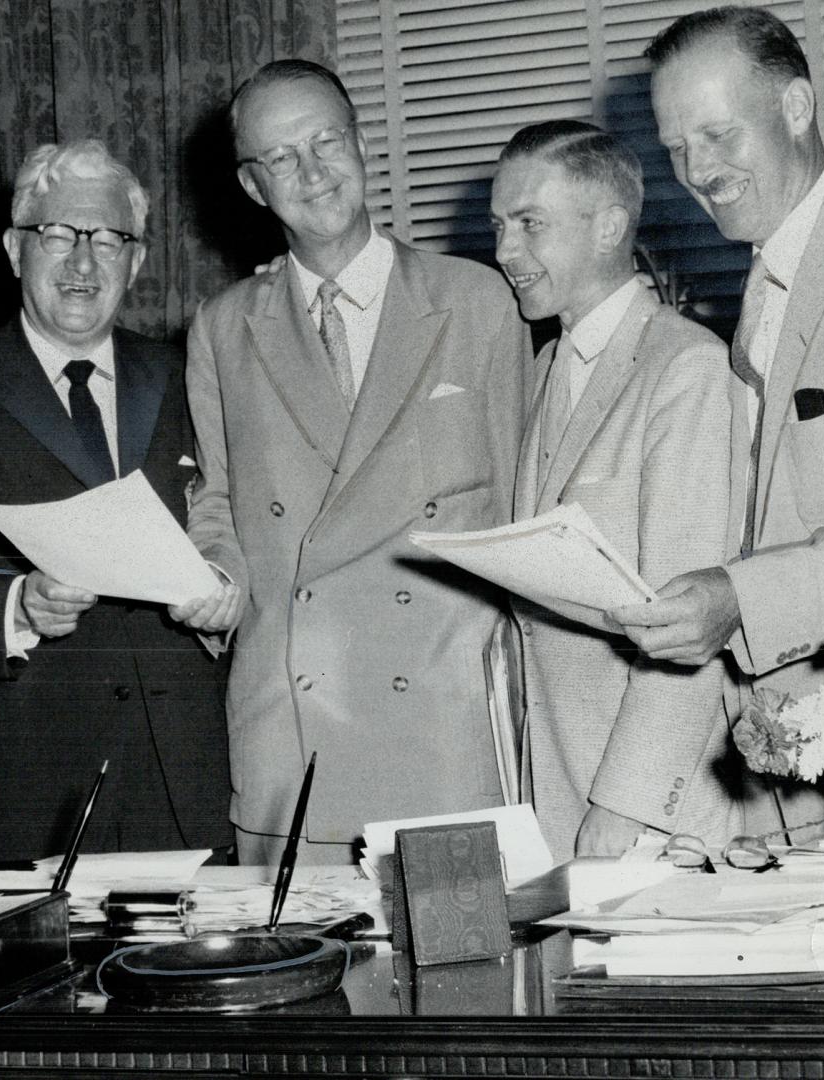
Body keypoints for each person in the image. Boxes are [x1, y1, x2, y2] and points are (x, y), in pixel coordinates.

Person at [173, 59, 529, 866]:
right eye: (282, 158)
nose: (313, 171)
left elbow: (521, 504)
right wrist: (214, 579)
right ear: (254, 188)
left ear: (363, 146)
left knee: (465, 987)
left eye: (327, 141)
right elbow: (220, 503)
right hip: (294, 732)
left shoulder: (480, 301)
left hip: (444, 732)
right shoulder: (224, 328)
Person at [0, 139, 231, 861]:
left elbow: (231, 518)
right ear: (13, 249)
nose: (82, 263)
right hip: (27, 780)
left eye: (108, 239)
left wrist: (224, 585)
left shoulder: (188, 376)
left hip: (185, 777)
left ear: (136, 260)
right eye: (58, 235)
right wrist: (18, 607)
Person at [609, 6, 824, 826]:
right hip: (790, 775)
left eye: (719, 134)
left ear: (797, 107)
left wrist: (740, 596)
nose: (698, 169)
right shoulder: (766, 281)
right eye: (675, 148)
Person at [492, 120, 743, 859]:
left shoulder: (685, 367)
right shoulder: (546, 368)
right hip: (559, 787)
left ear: (608, 225)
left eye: (530, 224)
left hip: (648, 814)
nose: (506, 251)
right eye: (500, 226)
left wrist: (622, 806)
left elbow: (686, 627)